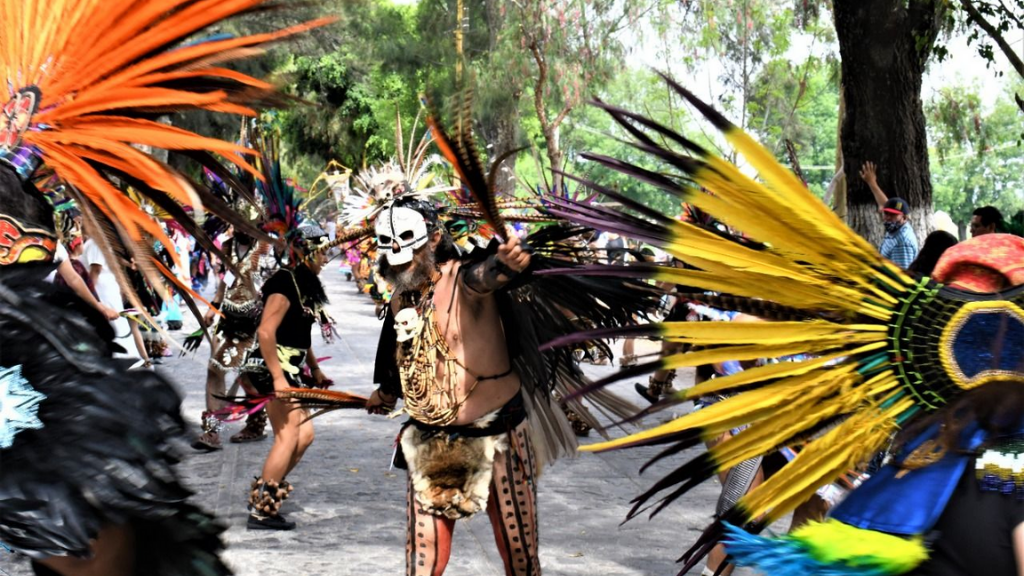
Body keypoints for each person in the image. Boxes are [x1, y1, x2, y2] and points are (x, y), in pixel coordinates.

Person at [364, 199, 538, 575]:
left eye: (408, 255)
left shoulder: (464, 280)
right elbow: (403, 355)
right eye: (392, 258)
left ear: (434, 239)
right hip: (433, 438)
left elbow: (490, 275)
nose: (400, 264)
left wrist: (506, 264)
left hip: (498, 434)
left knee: (518, 552)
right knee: (422, 556)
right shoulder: (400, 298)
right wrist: (386, 394)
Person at [239, 222, 334, 530]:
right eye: (322, 252)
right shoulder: (284, 281)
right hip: (272, 368)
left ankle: (267, 487)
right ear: (306, 251)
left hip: (290, 368)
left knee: (304, 436)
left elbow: (301, 336)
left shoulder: (307, 284)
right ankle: (261, 509)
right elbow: (266, 331)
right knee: (288, 435)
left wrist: (315, 369)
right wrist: (279, 379)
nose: (326, 258)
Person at [192, 231, 274, 451]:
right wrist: (215, 303)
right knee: (220, 370)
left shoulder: (267, 247)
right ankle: (213, 430)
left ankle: (253, 425)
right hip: (230, 318)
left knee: (245, 375)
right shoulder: (228, 245)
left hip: (255, 320)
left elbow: (271, 282)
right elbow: (228, 276)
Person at [859, 161, 919, 268]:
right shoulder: (897, 229)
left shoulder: (902, 243)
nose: (887, 217)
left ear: (904, 217)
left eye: (893, 215)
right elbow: (884, 204)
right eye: (886, 213)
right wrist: (872, 183)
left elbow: (901, 277)